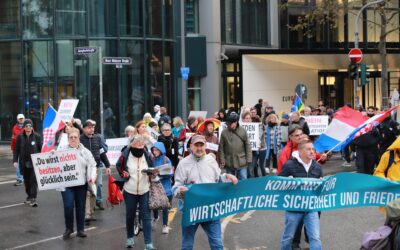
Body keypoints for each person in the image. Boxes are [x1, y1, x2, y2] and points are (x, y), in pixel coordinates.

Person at [172, 135, 238, 250]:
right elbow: (175, 187)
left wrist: (227, 176)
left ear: (205, 146)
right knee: (187, 245)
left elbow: (218, 179)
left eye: (201, 145)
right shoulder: (183, 164)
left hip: (210, 209)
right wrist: (180, 191)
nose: (199, 148)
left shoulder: (211, 161)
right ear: (191, 147)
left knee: (217, 244)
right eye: (196, 145)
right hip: (191, 210)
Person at [279, 140, 323, 250]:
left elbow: (320, 188)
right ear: (300, 151)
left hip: (311, 208)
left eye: (313, 149)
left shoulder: (317, 167)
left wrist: (322, 184)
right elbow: (278, 184)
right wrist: (286, 182)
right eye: (309, 149)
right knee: (288, 237)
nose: (312, 151)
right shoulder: (289, 165)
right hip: (294, 208)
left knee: (315, 238)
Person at [116, 135, 156, 249]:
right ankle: (129, 238)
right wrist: (124, 173)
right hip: (129, 190)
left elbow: (152, 168)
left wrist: (152, 173)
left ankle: (148, 244)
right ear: (132, 145)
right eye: (137, 145)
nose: (140, 147)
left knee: (146, 216)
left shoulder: (147, 155)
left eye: (142, 145)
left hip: (144, 190)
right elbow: (119, 166)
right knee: (130, 215)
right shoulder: (125, 154)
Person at [61, 128, 97, 240]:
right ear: (68, 139)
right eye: (70, 137)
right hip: (67, 184)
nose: (73, 139)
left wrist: (92, 177)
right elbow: (53, 163)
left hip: (81, 184)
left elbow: (93, 165)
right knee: (68, 206)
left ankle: (80, 230)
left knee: (80, 207)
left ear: (78, 138)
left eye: (75, 137)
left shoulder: (85, 151)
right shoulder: (61, 150)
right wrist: (52, 155)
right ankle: (69, 228)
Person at [80, 119, 111, 222]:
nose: (91, 129)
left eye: (92, 127)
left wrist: (107, 165)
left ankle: (91, 212)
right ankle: (87, 214)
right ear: (84, 129)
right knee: (87, 192)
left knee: (94, 190)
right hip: (84, 169)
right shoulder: (80, 139)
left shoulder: (97, 138)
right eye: (89, 127)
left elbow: (102, 153)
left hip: (96, 168)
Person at [13, 119, 42, 207]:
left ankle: (33, 198)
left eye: (30, 126)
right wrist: (15, 160)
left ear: (32, 127)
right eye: (26, 126)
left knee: (33, 181)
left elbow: (41, 149)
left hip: (34, 163)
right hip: (24, 163)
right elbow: (16, 150)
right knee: (27, 181)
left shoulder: (37, 136)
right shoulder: (20, 137)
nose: (28, 128)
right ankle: (29, 195)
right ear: (24, 128)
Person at [219, 112, 252, 180]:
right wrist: (222, 160)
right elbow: (221, 148)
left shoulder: (243, 130)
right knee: (230, 181)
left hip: (242, 160)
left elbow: (247, 145)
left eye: (235, 122)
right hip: (229, 161)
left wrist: (249, 158)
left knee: (243, 179)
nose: (233, 124)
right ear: (228, 123)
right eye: (231, 123)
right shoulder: (224, 132)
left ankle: (243, 191)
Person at [151, 142, 173, 234]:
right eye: (153, 150)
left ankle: (165, 225)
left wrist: (160, 174)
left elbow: (171, 173)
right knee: (154, 205)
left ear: (161, 150)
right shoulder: (151, 159)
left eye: (156, 150)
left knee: (164, 207)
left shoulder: (166, 160)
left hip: (165, 187)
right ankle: (156, 217)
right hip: (154, 186)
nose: (154, 152)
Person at [242, 111, 267, 177]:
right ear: (243, 119)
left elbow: (259, 135)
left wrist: (258, 143)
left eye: (249, 118)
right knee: (243, 171)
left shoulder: (256, 126)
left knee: (250, 170)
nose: (248, 120)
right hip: (242, 153)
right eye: (246, 118)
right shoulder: (240, 128)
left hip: (253, 153)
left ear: (251, 119)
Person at [11, 114, 25, 186]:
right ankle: (19, 178)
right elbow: (13, 138)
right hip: (18, 148)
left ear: (24, 119)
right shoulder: (15, 128)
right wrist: (12, 148)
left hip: (26, 148)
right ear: (17, 119)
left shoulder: (28, 126)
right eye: (20, 118)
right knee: (18, 164)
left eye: (22, 118)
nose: (21, 119)